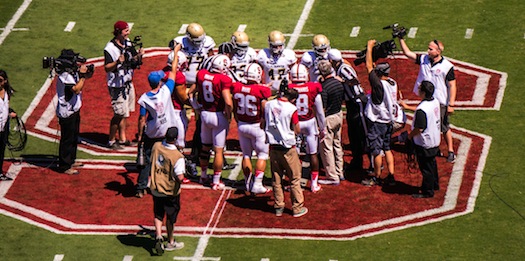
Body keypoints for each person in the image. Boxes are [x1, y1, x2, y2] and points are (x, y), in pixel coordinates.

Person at [398, 37, 457, 163]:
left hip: (439, 101)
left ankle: (451, 151)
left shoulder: (447, 66)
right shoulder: (424, 59)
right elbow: (408, 54)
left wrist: (451, 104)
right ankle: (433, 148)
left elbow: (452, 85)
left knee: (443, 126)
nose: (428, 51)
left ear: (438, 51)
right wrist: (401, 39)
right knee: (428, 124)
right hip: (426, 98)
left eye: (430, 49)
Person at [135, 44, 181, 198]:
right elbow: (173, 71)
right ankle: (166, 184)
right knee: (168, 157)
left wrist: (140, 135)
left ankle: (140, 188)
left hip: (152, 132)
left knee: (146, 160)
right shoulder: (166, 91)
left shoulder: (144, 98)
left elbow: (142, 119)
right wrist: (175, 52)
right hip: (166, 131)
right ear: (160, 82)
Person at [170, 23, 216, 165]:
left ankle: (198, 149)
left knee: (201, 119)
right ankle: (177, 147)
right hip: (183, 84)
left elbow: (210, 60)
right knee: (181, 118)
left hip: (200, 84)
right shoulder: (179, 42)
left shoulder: (207, 42)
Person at [262, 86, 308, 218]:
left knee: (276, 179)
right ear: (293, 99)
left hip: (273, 146)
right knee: (294, 178)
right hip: (287, 147)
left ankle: (279, 206)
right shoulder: (291, 109)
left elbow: (263, 122)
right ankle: (297, 207)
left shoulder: (269, 105)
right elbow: (297, 129)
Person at [189, 54, 233, 190]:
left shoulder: (202, 74)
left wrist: (196, 107)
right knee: (218, 151)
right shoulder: (223, 79)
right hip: (218, 115)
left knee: (205, 148)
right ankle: (215, 180)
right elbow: (228, 101)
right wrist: (229, 114)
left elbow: (190, 93)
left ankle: (203, 175)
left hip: (205, 114)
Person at [361, 40, 397, 187]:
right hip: (389, 121)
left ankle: (376, 177)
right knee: (387, 149)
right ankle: (391, 175)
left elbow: (369, 66)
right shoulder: (392, 82)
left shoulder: (378, 84)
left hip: (377, 122)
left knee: (376, 151)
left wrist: (369, 47)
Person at [231, 63, 272, 194]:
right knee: (262, 155)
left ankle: (248, 183)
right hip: (256, 125)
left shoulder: (236, 87)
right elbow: (264, 105)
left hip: (242, 124)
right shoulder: (261, 90)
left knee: (246, 155)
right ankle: (258, 184)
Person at [104, 20, 144, 150]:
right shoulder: (109, 48)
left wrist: (139, 55)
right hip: (117, 85)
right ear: (118, 32)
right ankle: (111, 140)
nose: (128, 32)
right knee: (118, 113)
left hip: (127, 82)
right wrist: (117, 62)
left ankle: (122, 138)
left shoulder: (127, 42)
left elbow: (133, 59)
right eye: (126, 30)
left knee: (125, 112)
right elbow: (107, 67)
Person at [288, 63, 326, 192]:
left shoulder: (288, 88)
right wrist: (323, 128)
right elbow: (319, 111)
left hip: (294, 124)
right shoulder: (313, 87)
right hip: (309, 122)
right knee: (313, 153)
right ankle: (314, 184)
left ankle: (294, 182)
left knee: (294, 155)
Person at [328, 49, 368, 171]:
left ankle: (370, 163)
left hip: (357, 102)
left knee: (362, 134)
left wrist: (343, 81)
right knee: (353, 134)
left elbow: (355, 81)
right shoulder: (340, 67)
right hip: (352, 103)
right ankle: (357, 161)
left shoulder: (344, 69)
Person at [55, 49, 92, 175]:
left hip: (74, 109)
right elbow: (76, 89)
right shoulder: (64, 75)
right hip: (67, 111)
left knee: (74, 136)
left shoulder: (70, 72)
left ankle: (71, 159)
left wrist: (85, 74)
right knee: (67, 138)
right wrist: (82, 77)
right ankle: (64, 165)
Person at [401, 81, 441, 198]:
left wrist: (410, 136)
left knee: (426, 168)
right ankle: (434, 184)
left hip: (425, 142)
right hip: (435, 139)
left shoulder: (422, 110)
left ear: (423, 92)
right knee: (432, 164)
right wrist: (408, 107)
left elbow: (420, 128)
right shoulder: (435, 101)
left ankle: (427, 191)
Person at [150, 127, 185, 255]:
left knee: (158, 213)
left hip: (156, 187)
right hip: (170, 191)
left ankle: (159, 236)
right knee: (170, 217)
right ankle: (170, 241)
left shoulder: (156, 146)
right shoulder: (177, 156)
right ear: (175, 139)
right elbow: (179, 176)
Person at [317, 60, 345, 186]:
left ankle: (332, 176)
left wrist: (320, 124)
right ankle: (340, 172)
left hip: (329, 118)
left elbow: (322, 108)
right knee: (337, 144)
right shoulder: (338, 83)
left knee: (326, 148)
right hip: (339, 115)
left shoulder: (324, 87)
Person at [0, 70, 16, 181]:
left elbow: (5, 108)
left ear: (5, 81)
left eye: (0, 80)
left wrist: (10, 112)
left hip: (4, 126)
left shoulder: (7, 92)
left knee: (1, 150)